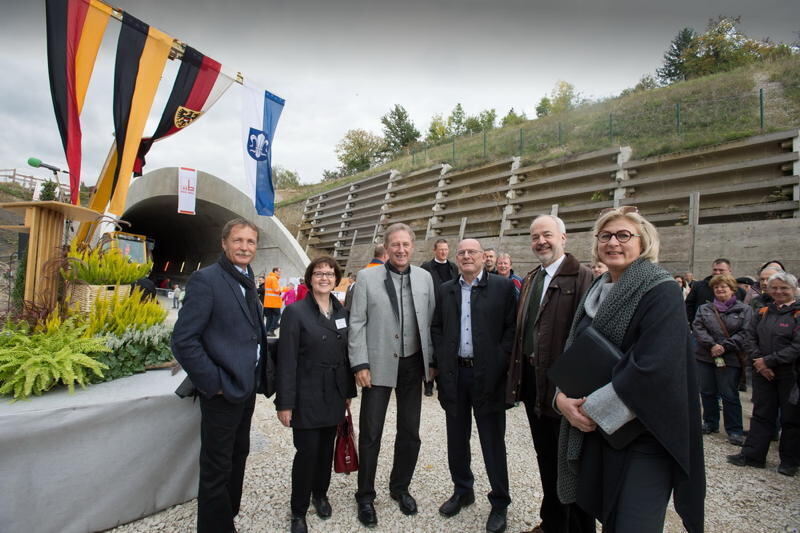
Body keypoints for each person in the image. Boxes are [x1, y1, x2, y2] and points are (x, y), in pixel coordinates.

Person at [555, 206, 705, 532]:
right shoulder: (597, 289)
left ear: (643, 242)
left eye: (624, 235)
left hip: (646, 435)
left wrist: (586, 409)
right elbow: (576, 353)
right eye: (605, 236)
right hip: (601, 431)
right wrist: (561, 400)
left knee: (631, 523)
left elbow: (654, 368)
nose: (613, 242)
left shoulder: (661, 290)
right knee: (608, 516)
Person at [171, 218, 270, 533]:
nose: (244, 247)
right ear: (225, 244)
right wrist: (213, 383)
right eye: (238, 240)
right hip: (223, 390)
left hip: (245, 388)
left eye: (250, 242)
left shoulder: (247, 277)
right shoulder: (207, 280)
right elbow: (183, 340)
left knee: (238, 455)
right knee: (216, 466)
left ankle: (227, 518)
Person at [505, 214, 594, 533]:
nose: (540, 241)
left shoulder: (582, 277)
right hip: (533, 384)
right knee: (546, 457)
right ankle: (553, 522)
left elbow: (587, 338)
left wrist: (572, 388)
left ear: (563, 237)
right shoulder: (531, 279)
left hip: (563, 389)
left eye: (547, 235)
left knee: (570, 465)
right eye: (534, 237)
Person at [348, 222, 436, 528]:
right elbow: (356, 322)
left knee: (410, 432)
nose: (400, 249)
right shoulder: (367, 277)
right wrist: (360, 364)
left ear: (413, 246)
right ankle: (365, 496)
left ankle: (400, 487)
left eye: (405, 244)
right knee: (371, 433)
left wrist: (432, 363)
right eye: (395, 244)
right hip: (378, 366)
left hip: (413, 365)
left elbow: (430, 323)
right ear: (387, 247)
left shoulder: (425, 278)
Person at [431, 239, 516, 533]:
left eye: (472, 252)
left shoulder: (503, 288)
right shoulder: (446, 290)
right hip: (455, 375)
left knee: (492, 441)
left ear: (484, 257)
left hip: (488, 377)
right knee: (456, 439)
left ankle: (500, 501)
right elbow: (437, 327)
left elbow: (511, 329)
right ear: (456, 258)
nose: (467, 256)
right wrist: (442, 360)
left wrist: (499, 359)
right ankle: (463, 490)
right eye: (462, 252)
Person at [276, 256, 357, 533]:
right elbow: (286, 361)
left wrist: (347, 392)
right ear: (310, 279)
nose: (324, 277)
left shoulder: (341, 312)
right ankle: (298, 510)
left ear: (336, 279)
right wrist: (285, 403)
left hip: (333, 392)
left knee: (325, 451)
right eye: (319, 273)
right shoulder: (295, 312)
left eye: (330, 273)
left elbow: (346, 357)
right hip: (306, 394)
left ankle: (320, 494)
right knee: (307, 453)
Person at [728, 272, 800, 477]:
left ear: (793, 289)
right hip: (762, 371)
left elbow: (797, 346)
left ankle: (789, 461)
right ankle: (753, 455)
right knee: (761, 413)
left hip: (790, 373)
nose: (778, 291)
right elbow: (750, 336)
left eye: (783, 288)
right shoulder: (763, 311)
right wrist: (759, 362)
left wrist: (769, 361)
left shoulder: (797, 312)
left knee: (791, 418)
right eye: (774, 287)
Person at [691, 274, 753, 446]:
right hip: (706, 355)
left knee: (729, 394)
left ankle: (734, 429)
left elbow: (746, 332)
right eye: (717, 287)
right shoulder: (705, 309)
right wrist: (711, 345)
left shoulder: (744, 310)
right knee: (707, 391)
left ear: (732, 289)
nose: (719, 289)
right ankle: (710, 422)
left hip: (730, 357)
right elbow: (698, 327)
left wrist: (725, 346)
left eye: (723, 286)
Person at [420, 238, 458, 396]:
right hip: (430, 311)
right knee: (429, 347)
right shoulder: (427, 267)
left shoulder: (453, 267)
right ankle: (428, 382)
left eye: (446, 249)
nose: (443, 252)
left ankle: (442, 380)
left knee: (445, 346)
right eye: (440, 249)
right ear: (435, 250)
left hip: (448, 312)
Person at [685, 258, 746, 323]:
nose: (717, 272)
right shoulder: (699, 286)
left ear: (729, 271)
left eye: (721, 270)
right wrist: (694, 323)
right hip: (703, 328)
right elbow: (689, 306)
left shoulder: (739, 291)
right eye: (715, 270)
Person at [264, 267, 283, 336]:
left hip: (268, 302)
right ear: (275, 271)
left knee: (270, 317)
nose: (280, 273)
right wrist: (286, 288)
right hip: (274, 302)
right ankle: (271, 330)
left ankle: (267, 331)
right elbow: (276, 290)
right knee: (277, 316)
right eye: (279, 271)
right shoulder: (274, 278)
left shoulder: (268, 278)